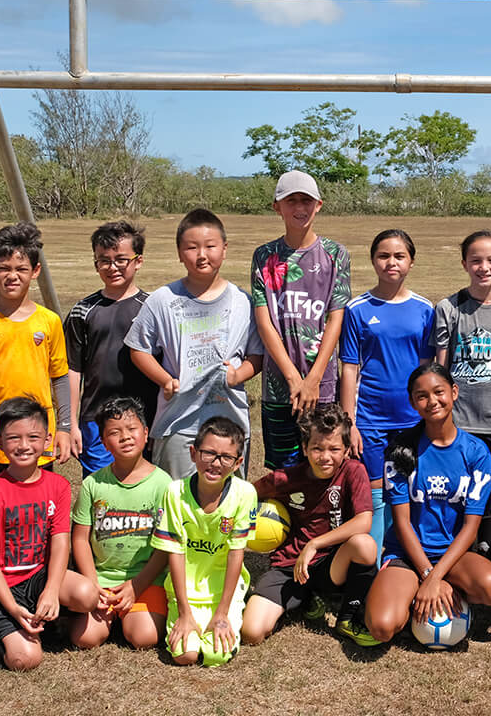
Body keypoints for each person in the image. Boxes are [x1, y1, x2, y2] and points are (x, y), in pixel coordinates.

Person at [362, 363, 491, 646]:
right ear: (413, 402)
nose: (432, 401)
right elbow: (401, 524)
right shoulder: (400, 450)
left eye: (439, 392)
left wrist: (436, 577)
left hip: (454, 555)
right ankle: (412, 592)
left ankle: (446, 590)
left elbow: (471, 526)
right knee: (381, 627)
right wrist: (427, 575)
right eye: (422, 396)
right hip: (406, 553)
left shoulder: (476, 452)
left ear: (453, 392)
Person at [0, 397, 99, 672]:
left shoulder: (58, 486)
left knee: (87, 594)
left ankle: (42, 619)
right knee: (26, 660)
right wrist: (12, 608)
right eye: (14, 438)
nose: (24, 445)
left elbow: (60, 543)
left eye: (33, 437)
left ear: (48, 439)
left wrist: (49, 591)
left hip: (36, 578)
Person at [126, 208, 263, 480]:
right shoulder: (162, 300)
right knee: (178, 497)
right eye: (191, 247)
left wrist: (239, 375)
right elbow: (138, 349)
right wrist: (165, 380)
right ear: (179, 253)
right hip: (179, 419)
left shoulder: (242, 301)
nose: (201, 255)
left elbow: (256, 354)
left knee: (228, 499)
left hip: (229, 417)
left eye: (210, 246)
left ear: (224, 249)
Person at [243, 403, 378, 648]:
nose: (325, 457)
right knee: (252, 632)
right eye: (317, 448)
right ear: (305, 448)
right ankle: (306, 599)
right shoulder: (286, 479)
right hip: (290, 565)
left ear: (346, 450)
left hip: (331, 564)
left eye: (334, 449)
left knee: (364, 545)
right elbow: (244, 494)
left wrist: (315, 544)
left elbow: (364, 521)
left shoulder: (354, 472)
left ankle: (347, 619)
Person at [339, 229, 435, 558]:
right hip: (370, 419)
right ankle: (374, 564)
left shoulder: (424, 309)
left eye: (399, 256)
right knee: (377, 494)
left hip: (411, 419)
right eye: (383, 255)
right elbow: (350, 369)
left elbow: (426, 369)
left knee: (408, 489)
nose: (391, 262)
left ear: (411, 261)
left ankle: (401, 557)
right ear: (373, 260)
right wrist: (349, 422)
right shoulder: (357, 309)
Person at [250, 171, 351, 475]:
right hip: (281, 386)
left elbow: (336, 317)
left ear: (318, 204)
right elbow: (265, 320)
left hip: (324, 386)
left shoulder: (335, 254)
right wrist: (294, 379)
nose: (299, 207)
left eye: (305, 200)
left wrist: (314, 379)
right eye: (290, 200)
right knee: (285, 475)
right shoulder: (264, 256)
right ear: (276, 207)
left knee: (325, 467)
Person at [0, 222, 70, 490]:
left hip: (37, 438)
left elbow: (61, 379)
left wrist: (64, 428)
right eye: (4, 268)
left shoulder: (49, 321)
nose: (12, 276)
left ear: (35, 271)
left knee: (38, 514)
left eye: (21, 269)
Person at [149, 416, 259, 667]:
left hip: (223, 592)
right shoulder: (175, 493)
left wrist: (222, 614)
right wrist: (185, 613)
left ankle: (227, 613)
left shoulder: (245, 494)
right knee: (185, 655)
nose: (215, 463)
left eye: (226, 457)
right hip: (185, 591)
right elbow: (174, 553)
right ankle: (185, 615)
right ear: (193, 453)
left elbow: (236, 553)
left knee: (215, 656)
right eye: (208, 453)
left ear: (238, 462)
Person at [67, 396, 171, 651]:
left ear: (146, 434)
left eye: (132, 429)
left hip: (146, 580)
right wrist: (92, 584)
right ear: (103, 442)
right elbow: (79, 538)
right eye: (115, 432)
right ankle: (107, 617)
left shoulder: (164, 484)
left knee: (143, 637)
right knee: (85, 639)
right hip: (101, 580)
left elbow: (165, 547)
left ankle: (129, 617)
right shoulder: (93, 484)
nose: (125, 437)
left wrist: (137, 586)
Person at [65, 221, 159, 478]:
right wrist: (71, 424)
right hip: (96, 421)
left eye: (121, 259)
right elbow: (72, 370)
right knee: (103, 491)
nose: (112, 267)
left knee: (145, 490)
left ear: (138, 261)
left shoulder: (154, 308)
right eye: (104, 260)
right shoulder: (82, 311)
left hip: (146, 418)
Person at [435, 229, 491, 467]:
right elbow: (440, 371)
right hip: (458, 420)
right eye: (475, 261)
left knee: (490, 491)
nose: (483, 267)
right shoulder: (448, 307)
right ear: (464, 264)